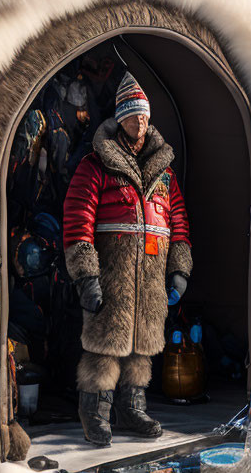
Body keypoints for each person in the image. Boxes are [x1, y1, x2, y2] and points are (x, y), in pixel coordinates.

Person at [62, 72, 192, 446]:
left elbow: (178, 219)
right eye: (135, 116)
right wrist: (87, 276)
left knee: (141, 347)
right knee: (104, 347)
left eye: (146, 117)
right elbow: (78, 219)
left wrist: (179, 268)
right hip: (112, 271)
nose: (142, 123)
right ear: (120, 117)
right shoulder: (95, 166)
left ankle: (132, 407)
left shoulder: (164, 174)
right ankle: (95, 413)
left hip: (150, 275)